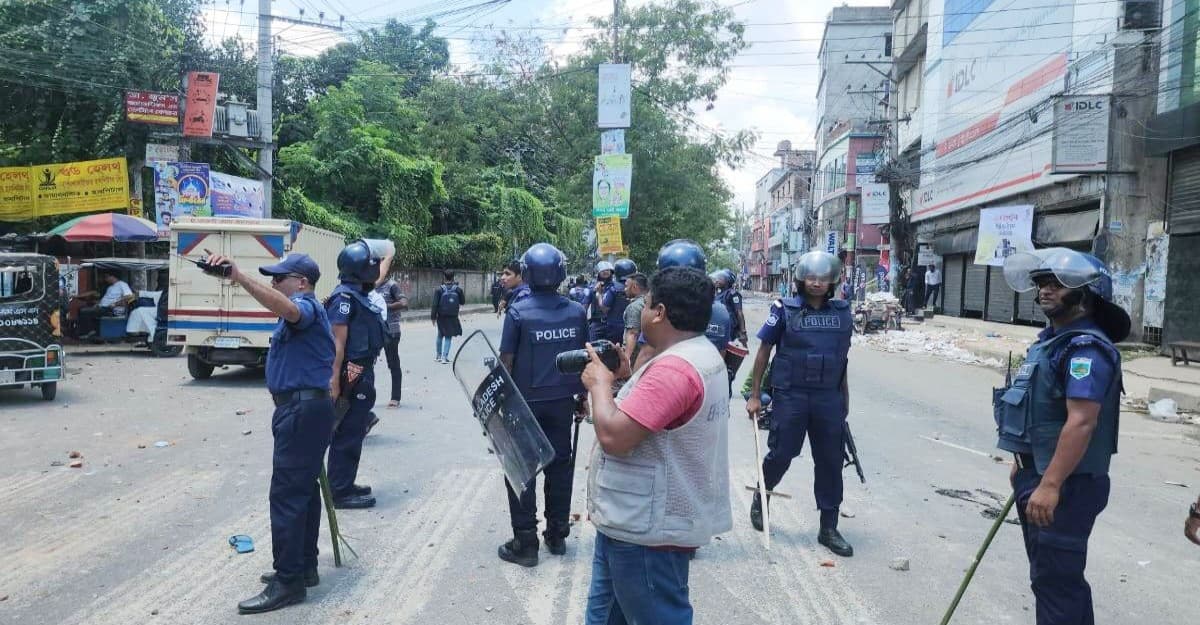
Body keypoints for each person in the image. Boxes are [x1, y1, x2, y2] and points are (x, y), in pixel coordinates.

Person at [581, 266, 731, 625]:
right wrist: (624, 380)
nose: (643, 311)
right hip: (631, 520)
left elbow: (615, 437)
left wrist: (599, 386)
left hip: (647, 531)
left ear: (660, 312)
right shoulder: (698, 353)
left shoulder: (674, 370)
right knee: (606, 615)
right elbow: (651, 414)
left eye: (646, 304)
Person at [995, 247, 1129, 625]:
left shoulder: (1085, 348)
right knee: (1055, 581)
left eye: (1057, 283)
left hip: (1068, 485)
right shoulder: (1050, 343)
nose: (1045, 290)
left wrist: (1050, 484)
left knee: (1056, 584)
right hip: (1038, 474)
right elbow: (1041, 411)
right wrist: (1023, 461)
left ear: (1087, 294)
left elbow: (1081, 421)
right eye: (1041, 282)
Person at [198, 252, 334, 615]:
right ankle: (303, 567)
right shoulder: (299, 314)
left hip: (302, 412)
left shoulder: (306, 307)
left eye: (279, 278)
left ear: (302, 282)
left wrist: (239, 277)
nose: (273, 283)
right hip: (304, 410)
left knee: (287, 495)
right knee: (303, 492)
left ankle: (288, 582)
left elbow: (289, 309)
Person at [745, 250, 855, 557]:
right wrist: (754, 395)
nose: (817, 283)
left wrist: (844, 399)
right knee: (782, 453)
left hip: (828, 397)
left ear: (832, 281)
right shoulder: (784, 309)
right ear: (801, 279)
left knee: (831, 461)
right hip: (791, 395)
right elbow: (764, 352)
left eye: (823, 278)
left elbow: (842, 359)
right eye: (811, 278)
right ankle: (762, 497)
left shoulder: (842, 313)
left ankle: (829, 527)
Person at [496, 243, 588, 567]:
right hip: (562, 403)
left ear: (527, 273)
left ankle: (525, 542)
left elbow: (506, 361)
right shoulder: (577, 312)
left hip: (525, 405)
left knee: (521, 471)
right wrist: (584, 398)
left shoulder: (518, 312)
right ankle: (557, 534)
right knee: (560, 468)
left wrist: (499, 403)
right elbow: (584, 358)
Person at [326, 240, 388, 510]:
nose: (375, 269)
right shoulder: (344, 299)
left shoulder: (357, 293)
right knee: (347, 434)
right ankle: (339, 492)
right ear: (361, 270)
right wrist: (334, 384)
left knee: (354, 431)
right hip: (350, 377)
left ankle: (345, 483)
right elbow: (337, 345)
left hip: (361, 373)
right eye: (372, 265)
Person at [633, 240, 731, 371]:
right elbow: (721, 354)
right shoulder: (721, 311)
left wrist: (632, 382)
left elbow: (646, 354)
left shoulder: (664, 309)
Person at [375, 275, 408, 408]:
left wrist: (385, 306)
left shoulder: (392, 285)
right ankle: (365, 396)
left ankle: (395, 397)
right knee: (366, 364)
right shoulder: (370, 286)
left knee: (393, 363)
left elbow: (404, 302)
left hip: (391, 331)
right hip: (375, 331)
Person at [78, 272, 133, 338]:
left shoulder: (122, 284)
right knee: (83, 309)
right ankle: (91, 330)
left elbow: (130, 297)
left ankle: (87, 332)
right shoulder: (110, 287)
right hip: (104, 308)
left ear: (112, 276)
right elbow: (106, 300)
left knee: (84, 311)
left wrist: (115, 304)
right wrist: (98, 304)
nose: (106, 279)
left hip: (112, 309)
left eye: (107, 277)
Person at [432, 270, 465, 363]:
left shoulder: (439, 290)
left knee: (440, 335)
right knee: (448, 336)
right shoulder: (458, 289)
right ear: (453, 277)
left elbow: (434, 305)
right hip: (452, 316)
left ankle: (438, 356)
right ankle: (444, 357)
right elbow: (463, 302)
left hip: (441, 316)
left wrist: (433, 317)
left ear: (444, 277)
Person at [602, 258, 637, 344]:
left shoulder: (613, 289)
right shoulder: (638, 288)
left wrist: (599, 295)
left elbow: (605, 309)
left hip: (614, 328)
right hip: (633, 327)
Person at [712, 268, 748, 345]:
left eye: (720, 278)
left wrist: (743, 332)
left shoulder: (732, 294)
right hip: (717, 326)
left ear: (728, 281)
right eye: (717, 278)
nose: (717, 280)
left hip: (728, 327)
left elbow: (739, 312)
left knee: (726, 347)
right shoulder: (717, 293)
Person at [622, 272, 648, 362]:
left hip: (635, 355)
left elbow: (633, 334)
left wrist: (626, 359)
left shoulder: (634, 307)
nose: (624, 289)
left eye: (626, 286)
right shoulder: (649, 301)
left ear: (635, 287)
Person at [589, 261, 615, 342]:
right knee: (592, 346)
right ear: (598, 273)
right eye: (603, 270)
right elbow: (586, 303)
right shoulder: (593, 287)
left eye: (607, 270)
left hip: (611, 323)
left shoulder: (614, 287)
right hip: (596, 322)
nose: (605, 272)